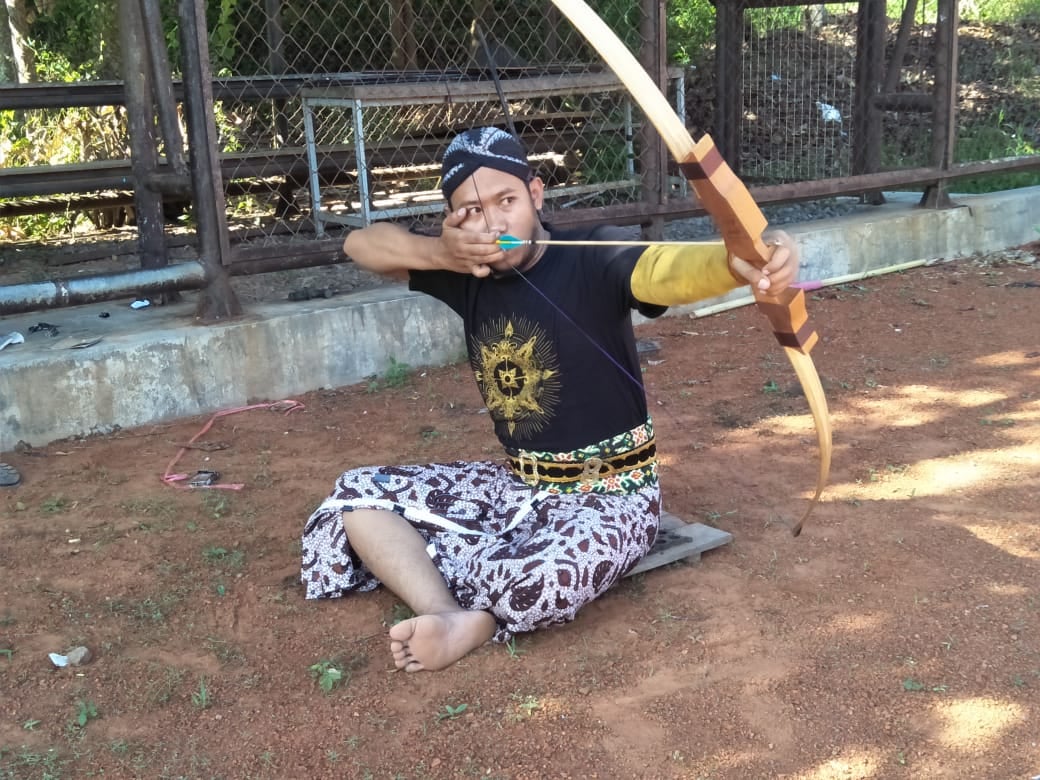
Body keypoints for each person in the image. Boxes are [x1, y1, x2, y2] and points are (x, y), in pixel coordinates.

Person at [300, 126, 800, 672]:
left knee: (545, 576)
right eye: (471, 211)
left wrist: (742, 260)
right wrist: (439, 253)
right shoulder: (462, 271)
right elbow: (360, 244)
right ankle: (444, 612)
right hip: (519, 485)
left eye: (506, 201)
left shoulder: (595, 253)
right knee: (357, 499)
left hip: (612, 495)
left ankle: (476, 601)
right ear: (452, 220)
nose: (493, 224)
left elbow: (665, 270)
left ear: (536, 195)